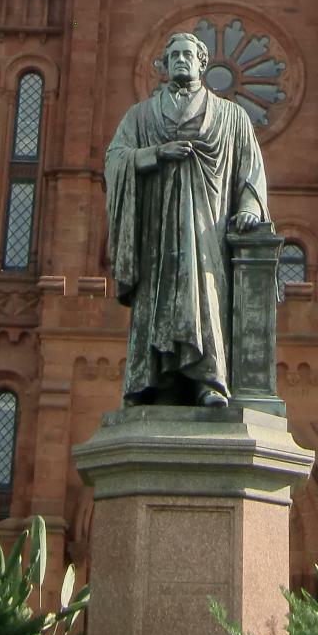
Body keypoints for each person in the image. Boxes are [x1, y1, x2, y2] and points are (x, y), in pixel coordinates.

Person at [103, 29, 270, 407]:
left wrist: (248, 207)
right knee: (156, 299)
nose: (180, 60)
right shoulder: (140, 115)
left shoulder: (232, 116)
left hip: (206, 230)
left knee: (205, 295)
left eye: (187, 54)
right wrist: (158, 154)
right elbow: (115, 158)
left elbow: (251, 172)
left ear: (202, 62)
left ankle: (209, 379)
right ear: (163, 65)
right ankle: (154, 380)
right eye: (173, 55)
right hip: (156, 233)